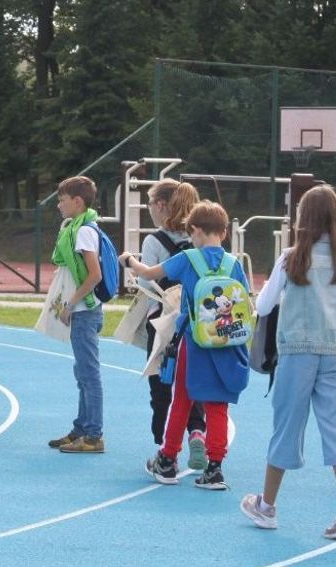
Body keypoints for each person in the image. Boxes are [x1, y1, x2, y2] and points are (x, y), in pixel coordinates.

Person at [241, 184, 336, 540]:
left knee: (287, 425)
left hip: (297, 352)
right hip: (335, 352)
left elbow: (264, 305)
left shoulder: (292, 257)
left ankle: (267, 505)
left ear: (302, 219)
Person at [122, 199, 249, 489]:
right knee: (218, 406)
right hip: (227, 344)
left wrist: (128, 260)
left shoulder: (188, 259)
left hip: (194, 344)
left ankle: (167, 460)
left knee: (181, 401)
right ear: (224, 232)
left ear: (195, 230)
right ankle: (215, 469)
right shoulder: (234, 264)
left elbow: (148, 273)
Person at [136, 179, 207, 466]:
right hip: (195, 322)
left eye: (150, 204)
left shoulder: (154, 241)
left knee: (162, 384)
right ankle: (197, 432)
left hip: (163, 322)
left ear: (161, 205)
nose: (149, 209)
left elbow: (145, 282)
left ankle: (166, 450)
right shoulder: (200, 239)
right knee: (192, 383)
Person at [46, 176, 109, 454]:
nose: (59, 204)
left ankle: (93, 435)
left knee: (89, 373)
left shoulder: (83, 231)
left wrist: (70, 303)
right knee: (82, 372)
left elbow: (94, 275)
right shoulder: (79, 228)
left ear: (77, 201)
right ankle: (81, 428)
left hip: (85, 311)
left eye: (62, 199)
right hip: (85, 311)